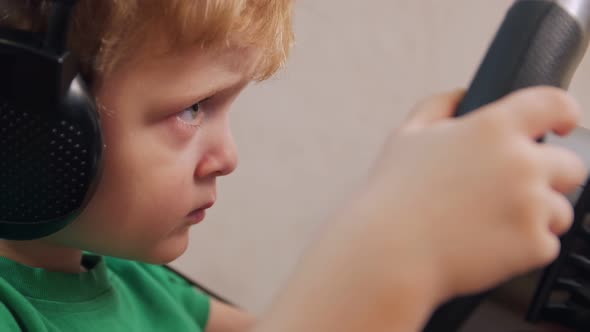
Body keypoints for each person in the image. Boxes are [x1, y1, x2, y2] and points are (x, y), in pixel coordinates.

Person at [0, 1, 586, 331]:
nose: (228, 158)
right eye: (193, 109)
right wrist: (397, 246)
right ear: (24, 117)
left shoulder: (131, 279)